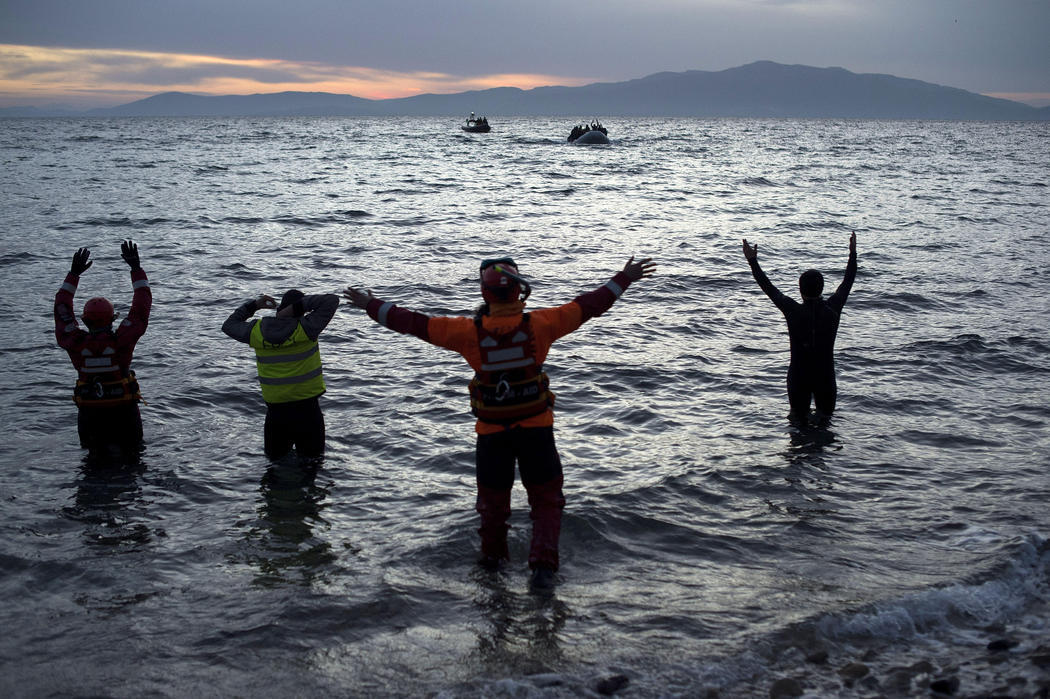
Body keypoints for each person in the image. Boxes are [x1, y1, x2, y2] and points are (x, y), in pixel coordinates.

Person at [344, 255, 656, 591]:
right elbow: (590, 305)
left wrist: (370, 304)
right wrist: (624, 278)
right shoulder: (543, 324)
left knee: (493, 507)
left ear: (484, 293)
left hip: (492, 435)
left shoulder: (465, 333)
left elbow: (413, 323)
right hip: (537, 430)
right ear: (520, 292)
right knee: (546, 502)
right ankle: (542, 572)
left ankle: (492, 571)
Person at [743, 232, 858, 422]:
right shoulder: (833, 309)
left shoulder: (792, 310)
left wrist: (752, 262)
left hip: (798, 377)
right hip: (825, 377)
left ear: (800, 290)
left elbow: (768, 288)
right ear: (821, 288)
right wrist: (852, 254)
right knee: (825, 424)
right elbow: (847, 281)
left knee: (797, 426)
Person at [55, 240, 152, 452]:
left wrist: (74, 274)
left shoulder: (75, 342)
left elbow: (61, 307)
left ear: (86, 321)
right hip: (124, 414)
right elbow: (141, 308)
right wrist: (136, 268)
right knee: (133, 463)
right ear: (112, 319)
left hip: (91, 416)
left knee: (92, 465)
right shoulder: (122, 341)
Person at [222, 289, 339, 460]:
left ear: (279, 308)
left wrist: (254, 305)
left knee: (275, 468)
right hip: (308, 413)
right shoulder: (306, 329)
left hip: (276, 416)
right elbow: (331, 300)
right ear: (301, 311)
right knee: (312, 465)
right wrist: (296, 308)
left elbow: (229, 325)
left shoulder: (256, 332)